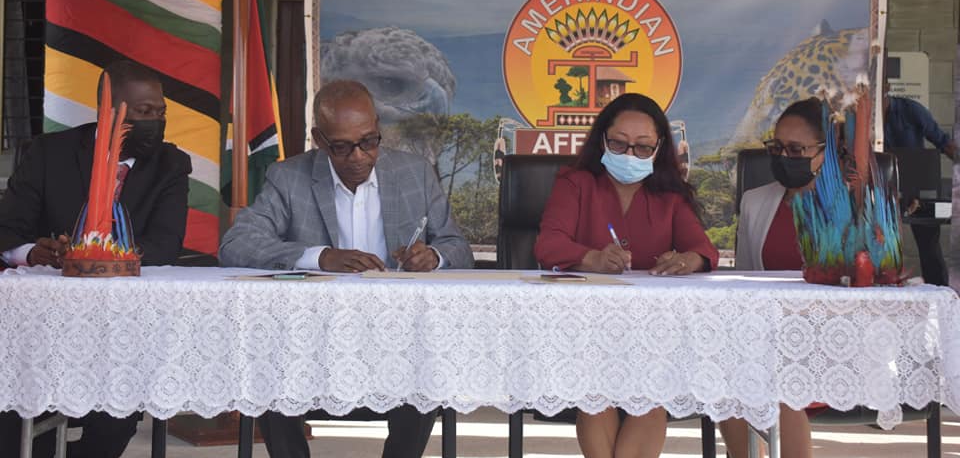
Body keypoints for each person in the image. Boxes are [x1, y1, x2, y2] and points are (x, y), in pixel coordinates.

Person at [219, 79, 473, 458]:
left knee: (427, 368)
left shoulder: (414, 173)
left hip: (395, 334)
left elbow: (458, 248)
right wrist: (320, 257)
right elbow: (235, 244)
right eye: (342, 146)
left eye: (369, 141)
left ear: (378, 130)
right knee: (267, 368)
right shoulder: (289, 178)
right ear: (319, 139)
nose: (358, 156)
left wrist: (433, 257)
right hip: (309, 337)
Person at [0, 59, 192, 458]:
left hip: (123, 325)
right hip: (42, 321)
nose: (156, 121)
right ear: (110, 110)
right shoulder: (49, 153)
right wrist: (32, 253)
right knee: (16, 411)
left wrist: (103, 257)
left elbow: (165, 243)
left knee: (117, 415)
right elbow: (7, 228)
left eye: (161, 112)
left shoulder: (170, 164)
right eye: (144, 112)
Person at [533, 93, 718, 458]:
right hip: (585, 326)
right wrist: (592, 258)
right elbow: (547, 245)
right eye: (618, 143)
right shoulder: (576, 182)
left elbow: (703, 250)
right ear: (601, 139)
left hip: (655, 330)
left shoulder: (670, 194)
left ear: (659, 147)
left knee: (651, 388)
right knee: (594, 389)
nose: (629, 154)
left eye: (642, 146)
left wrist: (688, 260)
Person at [718, 98, 823, 458]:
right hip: (767, 337)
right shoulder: (755, 201)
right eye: (776, 147)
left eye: (795, 149)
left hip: (829, 338)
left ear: (825, 153)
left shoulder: (858, 206)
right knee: (728, 373)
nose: (782, 157)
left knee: (776, 377)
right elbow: (746, 283)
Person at [883, 79, 955, 286]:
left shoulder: (910, 110)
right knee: (881, 247)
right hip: (881, 192)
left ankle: (940, 295)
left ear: (887, 88)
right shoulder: (861, 118)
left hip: (918, 192)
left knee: (929, 248)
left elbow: (943, 142)